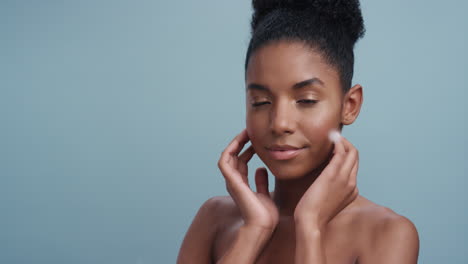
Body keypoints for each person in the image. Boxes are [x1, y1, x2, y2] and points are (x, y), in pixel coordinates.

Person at [177, 0, 420, 263]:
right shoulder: (215, 219)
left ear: (349, 105)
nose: (280, 123)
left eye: (306, 100)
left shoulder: (387, 234)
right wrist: (254, 231)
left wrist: (310, 226)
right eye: (261, 102)